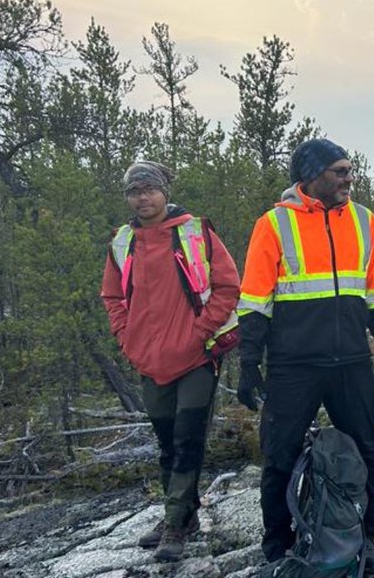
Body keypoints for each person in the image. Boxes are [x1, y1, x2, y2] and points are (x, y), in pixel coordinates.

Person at [236, 139, 374, 573]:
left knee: (369, 451)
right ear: (310, 176)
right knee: (280, 455)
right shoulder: (273, 224)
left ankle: (364, 536)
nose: (349, 178)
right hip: (294, 365)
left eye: (350, 170)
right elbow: (254, 300)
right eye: (339, 171)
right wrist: (248, 363)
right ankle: (278, 545)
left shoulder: (365, 221)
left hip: (351, 363)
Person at [101, 161, 240, 562]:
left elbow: (229, 286)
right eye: (134, 191)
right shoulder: (122, 242)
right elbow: (112, 298)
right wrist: (127, 339)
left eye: (149, 189)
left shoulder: (195, 232)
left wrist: (199, 333)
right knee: (166, 443)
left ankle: (176, 523)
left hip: (196, 357)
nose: (143, 197)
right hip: (149, 359)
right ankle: (182, 515)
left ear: (164, 191)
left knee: (187, 438)